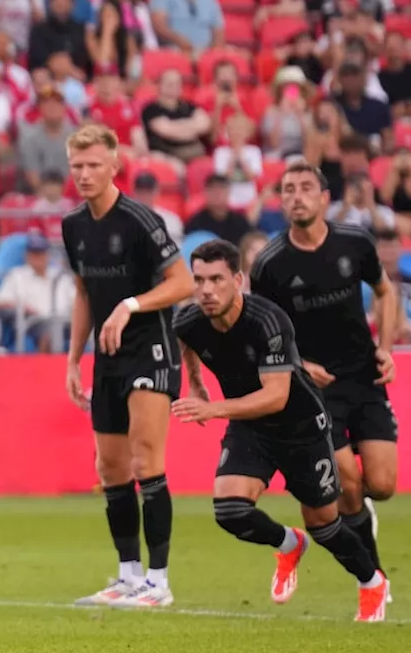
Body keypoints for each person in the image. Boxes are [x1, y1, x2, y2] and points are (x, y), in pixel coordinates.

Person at [172, 239, 389, 622]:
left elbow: (275, 397)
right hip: (250, 427)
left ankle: (371, 581)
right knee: (230, 510)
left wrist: (212, 407)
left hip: (301, 427)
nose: (206, 290)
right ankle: (289, 544)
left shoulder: (268, 322)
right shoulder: (189, 319)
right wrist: (195, 382)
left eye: (217, 279)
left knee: (324, 525)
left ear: (237, 279)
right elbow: (185, 340)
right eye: (199, 279)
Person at [249, 161, 399, 592]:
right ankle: (372, 576)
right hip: (313, 391)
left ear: (323, 198)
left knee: (382, 485)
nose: (296, 195)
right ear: (281, 201)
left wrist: (385, 347)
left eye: (305, 188)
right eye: (288, 189)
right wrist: (296, 366)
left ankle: (362, 519)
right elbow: (262, 333)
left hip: (364, 378)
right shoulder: (270, 265)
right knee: (346, 481)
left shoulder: (355, 244)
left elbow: (385, 291)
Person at [61, 123, 194, 609]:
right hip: (107, 358)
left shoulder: (140, 220)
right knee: (110, 466)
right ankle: (128, 575)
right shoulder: (73, 224)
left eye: (94, 164)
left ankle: (159, 582)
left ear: (115, 166)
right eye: (77, 166)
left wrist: (131, 305)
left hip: (150, 350)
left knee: (144, 460)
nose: (85, 174)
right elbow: (82, 292)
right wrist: (74, 358)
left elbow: (184, 283)